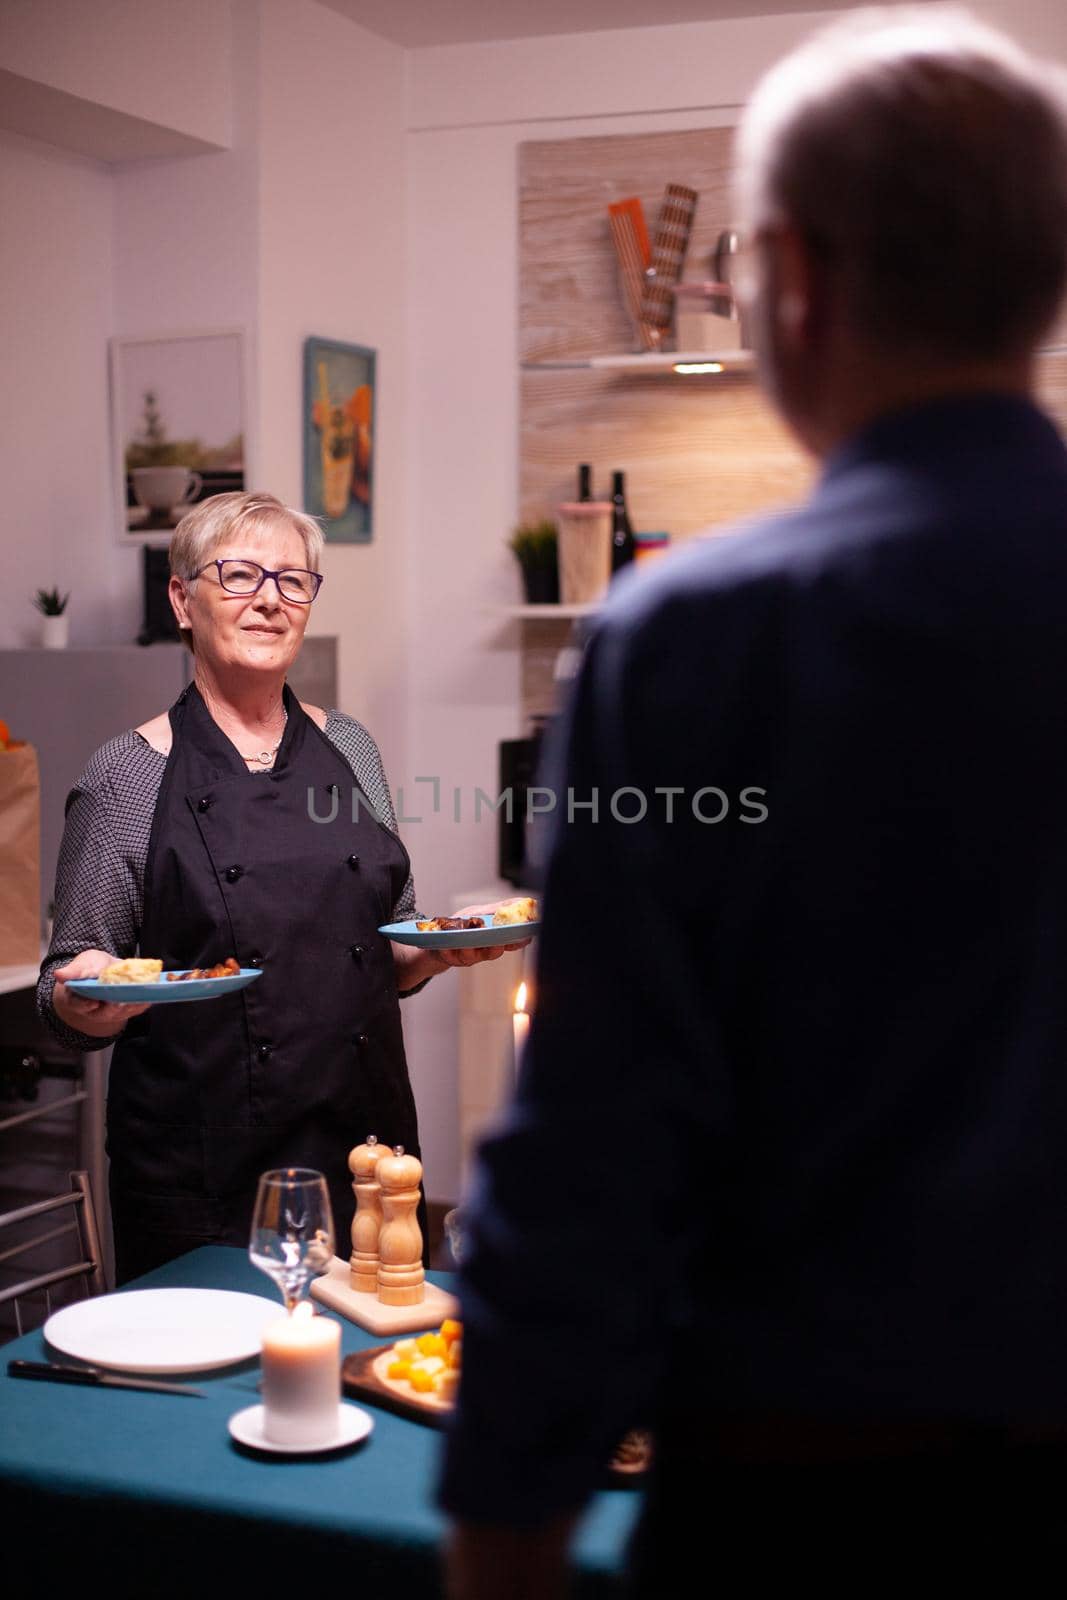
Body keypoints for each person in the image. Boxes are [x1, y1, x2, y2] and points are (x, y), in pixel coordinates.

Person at [440, 9, 1067, 1593]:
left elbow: (594, 1140)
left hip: (798, 1501)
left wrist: (506, 1525)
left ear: (787, 279)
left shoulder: (693, 635)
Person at [38, 491, 520, 1283]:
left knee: (373, 1376)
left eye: (294, 581)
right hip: (205, 1172)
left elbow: (383, 951)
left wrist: (439, 952)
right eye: (239, 575)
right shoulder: (126, 774)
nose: (269, 598)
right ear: (181, 598)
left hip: (368, 1153)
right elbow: (64, 999)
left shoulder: (351, 749)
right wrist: (84, 998)